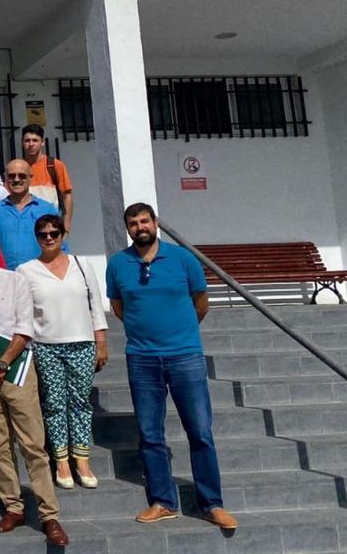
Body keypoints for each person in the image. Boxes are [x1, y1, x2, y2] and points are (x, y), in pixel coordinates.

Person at [106, 203, 237, 529]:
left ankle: (212, 504)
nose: (140, 227)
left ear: (156, 223)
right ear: (128, 229)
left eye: (144, 221)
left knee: (200, 432)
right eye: (133, 223)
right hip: (142, 359)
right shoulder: (118, 264)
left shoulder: (183, 259)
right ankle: (163, 501)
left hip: (185, 357)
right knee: (150, 434)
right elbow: (118, 306)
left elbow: (201, 303)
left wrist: (179, 333)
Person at [0, 231, 68, 547]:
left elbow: (24, 327)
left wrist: (3, 362)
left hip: (16, 371)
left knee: (33, 445)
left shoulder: (16, 282)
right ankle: (14, 507)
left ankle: (49, 515)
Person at [17, 214, 108, 489]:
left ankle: (82, 459)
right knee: (55, 404)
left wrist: (100, 341)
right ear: (37, 238)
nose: (49, 238)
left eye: (54, 233)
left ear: (62, 235)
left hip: (82, 342)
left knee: (80, 402)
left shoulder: (82, 265)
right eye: (43, 234)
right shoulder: (27, 270)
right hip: (46, 345)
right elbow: (24, 312)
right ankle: (62, 461)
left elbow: (95, 304)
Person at [0, 159, 64, 270]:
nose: (16, 180)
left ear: (31, 177)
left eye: (22, 176)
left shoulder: (47, 209)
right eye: (11, 176)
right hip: (7, 278)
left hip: (41, 276)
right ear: (5, 178)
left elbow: (60, 246)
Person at [22, 124, 75, 232]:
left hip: (50, 228)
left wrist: (67, 226)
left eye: (35, 140)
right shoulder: (18, 168)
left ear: (42, 142)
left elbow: (67, 196)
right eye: (27, 141)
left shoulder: (54, 165)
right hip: (25, 226)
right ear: (22, 142)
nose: (31, 144)